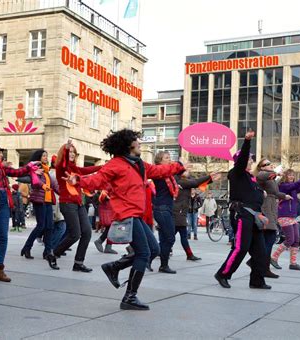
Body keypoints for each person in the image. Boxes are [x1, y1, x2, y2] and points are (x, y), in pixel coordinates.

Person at [64, 129, 185, 310]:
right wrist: (78, 180)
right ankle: (129, 297)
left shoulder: (139, 164)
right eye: (137, 141)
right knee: (144, 253)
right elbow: (98, 179)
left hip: (136, 214)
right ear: (129, 145)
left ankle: (114, 267)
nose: (140, 143)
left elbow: (159, 170)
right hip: (126, 214)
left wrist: (179, 166)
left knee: (154, 249)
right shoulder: (116, 164)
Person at [215, 131, 270, 290]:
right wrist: (247, 141)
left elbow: (254, 195)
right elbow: (243, 159)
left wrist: (262, 193)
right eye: (249, 158)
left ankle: (257, 281)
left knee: (260, 251)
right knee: (240, 248)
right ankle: (223, 274)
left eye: (252, 158)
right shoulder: (236, 173)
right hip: (242, 216)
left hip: (254, 217)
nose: (251, 160)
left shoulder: (250, 178)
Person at [0, 148, 37, 283]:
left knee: (3, 236)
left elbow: (17, 172)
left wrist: (30, 166)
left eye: (1, 153)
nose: (1, 155)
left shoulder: (1, 168)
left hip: (3, 201)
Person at [53, 140, 101, 272]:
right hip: (67, 204)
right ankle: (54, 254)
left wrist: (102, 167)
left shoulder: (75, 169)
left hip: (79, 204)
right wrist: (66, 149)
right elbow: (63, 163)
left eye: (74, 152)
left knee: (86, 233)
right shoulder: (61, 168)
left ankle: (78, 263)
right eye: (70, 152)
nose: (72, 154)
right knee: (75, 234)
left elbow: (87, 169)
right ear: (64, 153)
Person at [20, 149, 59, 270]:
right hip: (39, 200)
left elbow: (54, 186)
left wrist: (63, 193)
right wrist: (39, 176)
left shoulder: (46, 171)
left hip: (47, 201)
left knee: (50, 227)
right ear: (38, 157)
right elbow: (36, 183)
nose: (46, 158)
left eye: (46, 156)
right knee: (41, 226)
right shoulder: (36, 170)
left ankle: (48, 252)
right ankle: (27, 247)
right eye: (44, 156)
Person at [255, 158, 292, 279]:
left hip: (272, 207)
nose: (270, 165)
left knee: (268, 241)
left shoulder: (271, 178)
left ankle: (260, 265)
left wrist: (284, 196)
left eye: (271, 163)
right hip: (265, 207)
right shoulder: (262, 175)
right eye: (267, 164)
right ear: (261, 167)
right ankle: (262, 267)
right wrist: (276, 173)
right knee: (269, 239)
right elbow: (262, 175)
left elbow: (275, 192)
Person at [174, 173, 217, 261]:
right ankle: (159, 252)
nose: (188, 170)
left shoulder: (184, 181)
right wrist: (209, 177)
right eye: (186, 169)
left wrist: (210, 180)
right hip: (178, 213)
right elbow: (195, 182)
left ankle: (189, 254)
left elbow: (196, 184)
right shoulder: (180, 181)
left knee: (178, 236)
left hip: (180, 213)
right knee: (171, 237)